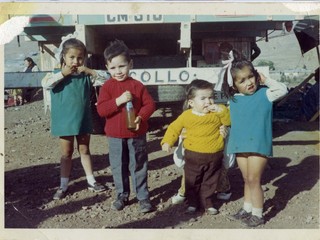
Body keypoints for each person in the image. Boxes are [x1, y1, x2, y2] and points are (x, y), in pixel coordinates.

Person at [216, 50, 288, 227]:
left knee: (254, 180)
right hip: (240, 145)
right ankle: (247, 209)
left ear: (256, 76)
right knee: (247, 179)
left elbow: (283, 89)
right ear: (233, 85)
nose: (249, 82)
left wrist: (266, 80)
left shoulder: (265, 94)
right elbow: (224, 117)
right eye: (242, 80)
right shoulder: (233, 100)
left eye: (251, 77)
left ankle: (257, 213)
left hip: (258, 145)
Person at [42, 36, 107, 200]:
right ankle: (63, 186)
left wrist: (91, 71)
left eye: (79, 58)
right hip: (64, 121)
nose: (75, 61)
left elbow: (108, 80)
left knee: (84, 149)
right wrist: (62, 74)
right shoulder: (55, 75)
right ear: (64, 57)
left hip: (83, 119)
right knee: (66, 153)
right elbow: (45, 84)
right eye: (72, 57)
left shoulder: (86, 76)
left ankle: (91, 181)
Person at [96, 40, 156, 213]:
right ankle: (122, 195)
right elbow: (101, 110)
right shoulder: (107, 87)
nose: (118, 71)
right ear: (107, 67)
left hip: (136, 134)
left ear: (130, 64)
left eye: (122, 66)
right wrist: (118, 101)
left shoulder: (137, 86)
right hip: (115, 136)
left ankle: (143, 197)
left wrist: (141, 117)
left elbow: (149, 105)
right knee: (118, 166)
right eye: (113, 68)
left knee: (138, 164)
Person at [161, 79, 231, 215]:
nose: (208, 102)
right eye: (203, 98)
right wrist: (167, 141)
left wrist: (220, 110)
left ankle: (207, 202)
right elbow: (174, 128)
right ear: (191, 102)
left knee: (210, 180)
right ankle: (192, 202)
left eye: (211, 97)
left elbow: (228, 120)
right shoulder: (187, 116)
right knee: (192, 180)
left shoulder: (217, 114)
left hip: (214, 155)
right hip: (193, 155)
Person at [171, 125, 232, 205]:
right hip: (194, 159)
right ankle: (184, 190)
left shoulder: (221, 126)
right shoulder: (189, 124)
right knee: (190, 168)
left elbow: (228, 156)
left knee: (217, 168)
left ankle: (223, 188)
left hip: (214, 159)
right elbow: (180, 158)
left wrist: (226, 165)